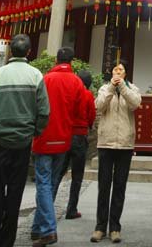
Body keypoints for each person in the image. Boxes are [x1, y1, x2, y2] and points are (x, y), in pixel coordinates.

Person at [0, 34, 49, 247]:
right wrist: (34, 132)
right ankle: (6, 240)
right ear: (29, 52)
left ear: (10, 51)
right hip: (22, 143)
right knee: (15, 193)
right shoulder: (36, 76)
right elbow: (44, 111)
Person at [32, 46, 91, 246]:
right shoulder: (76, 82)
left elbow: (36, 106)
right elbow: (79, 110)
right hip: (64, 139)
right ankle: (37, 227)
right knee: (49, 182)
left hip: (44, 137)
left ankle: (46, 228)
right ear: (72, 61)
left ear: (56, 60)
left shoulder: (46, 78)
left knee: (45, 183)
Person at [91, 59, 142, 244]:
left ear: (126, 73)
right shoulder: (105, 88)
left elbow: (135, 104)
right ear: (112, 73)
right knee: (103, 187)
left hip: (125, 145)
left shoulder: (133, 89)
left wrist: (123, 88)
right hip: (106, 143)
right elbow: (99, 106)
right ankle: (99, 227)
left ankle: (114, 227)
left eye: (121, 70)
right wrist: (112, 87)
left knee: (119, 187)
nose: (118, 72)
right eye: (116, 69)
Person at [59, 68, 97, 220]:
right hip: (80, 137)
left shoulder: (69, 92)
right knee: (77, 175)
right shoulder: (88, 95)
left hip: (66, 135)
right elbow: (91, 116)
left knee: (58, 172)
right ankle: (71, 208)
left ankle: (47, 206)